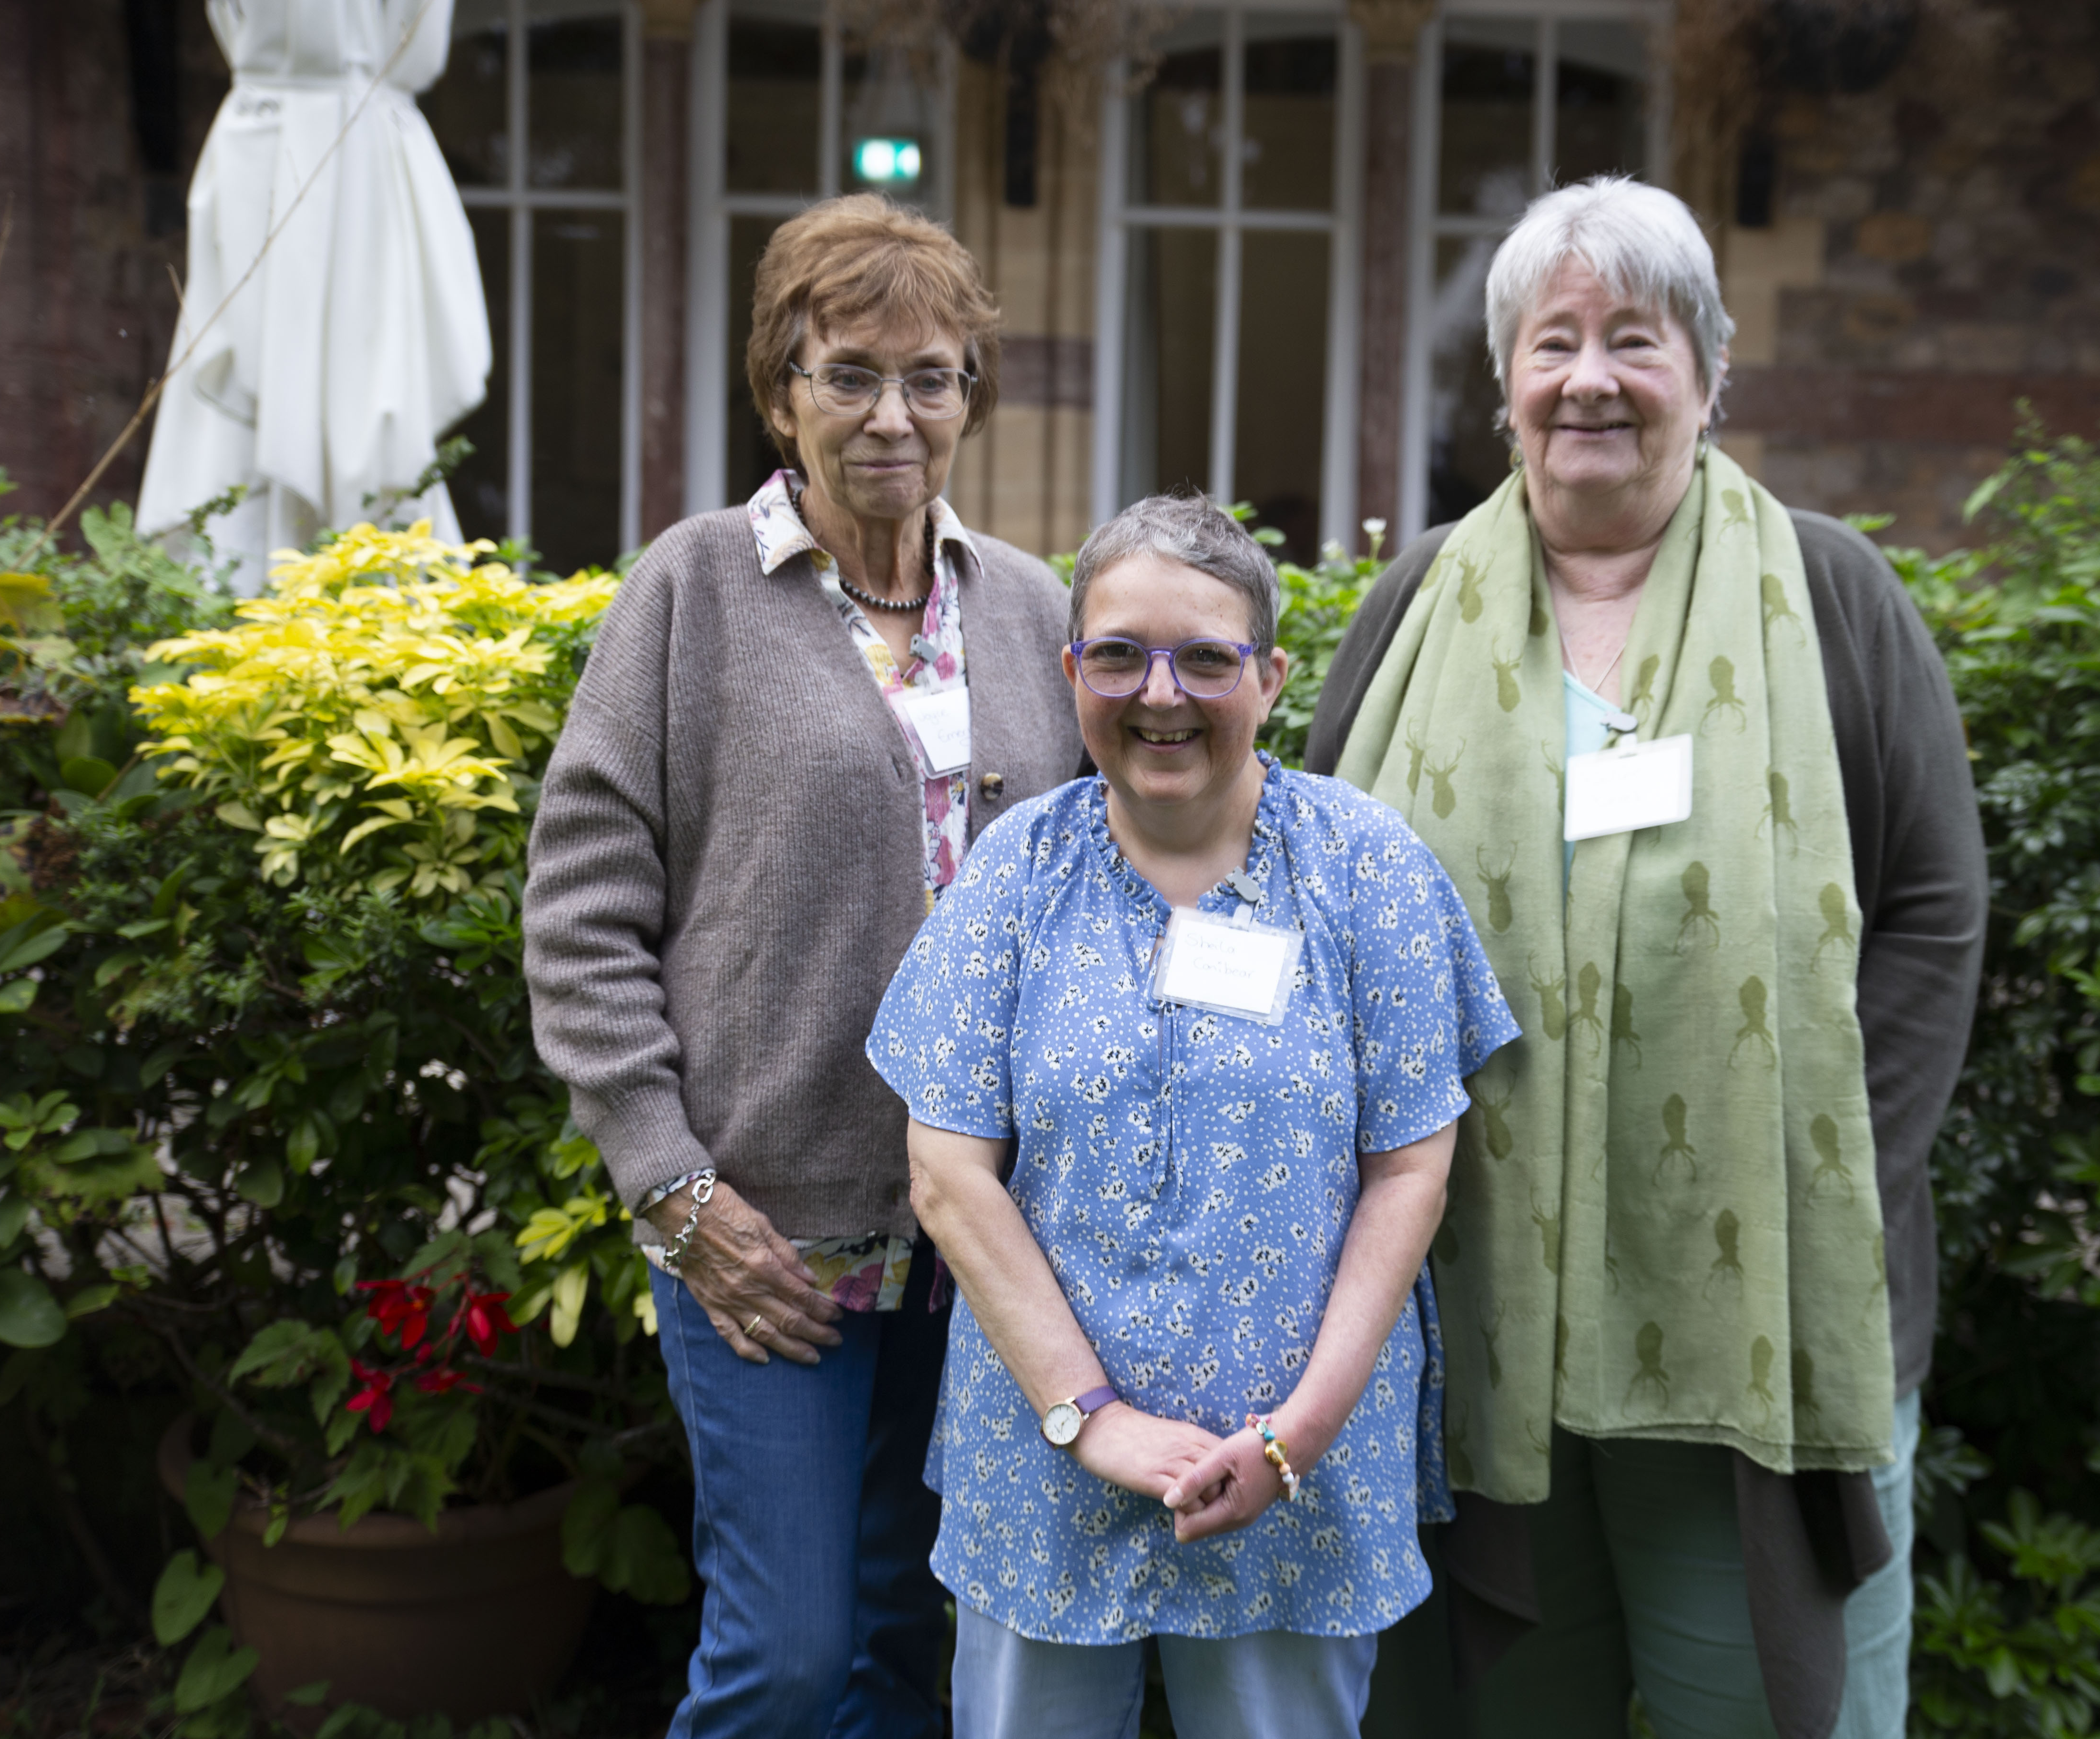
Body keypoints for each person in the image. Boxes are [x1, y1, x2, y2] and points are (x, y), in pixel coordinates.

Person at [1304, 177, 1988, 1739]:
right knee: (1510, 1703)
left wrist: (1826, 1184)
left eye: (1636, 337)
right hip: (1474, 1289)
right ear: (1504, 382)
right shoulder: (1417, 606)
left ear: (1708, 369)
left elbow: (1937, 915)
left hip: (1767, 1289)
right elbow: (1319, 903)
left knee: (1746, 1694)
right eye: (1554, 342)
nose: (1591, 378)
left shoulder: (1831, 595)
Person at [522, 194, 1086, 1739]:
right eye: (850, 374)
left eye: (934, 376)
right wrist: (671, 1187)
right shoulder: (694, 591)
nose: (893, 415)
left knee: (910, 1645)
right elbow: (581, 908)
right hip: (767, 1244)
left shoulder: (1035, 611)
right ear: (783, 393)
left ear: (973, 393)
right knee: (781, 1657)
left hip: (986, 1247)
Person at [866, 493, 1522, 1739]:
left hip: (1298, 1474)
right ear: (1072, 673)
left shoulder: (1367, 868)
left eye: (1206, 658)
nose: (1159, 693)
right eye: (1119, 653)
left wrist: (1295, 1439)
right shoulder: (1017, 872)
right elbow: (948, 1171)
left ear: (1270, 678)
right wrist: (1093, 1420)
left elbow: (1412, 1172)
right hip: (1048, 1465)